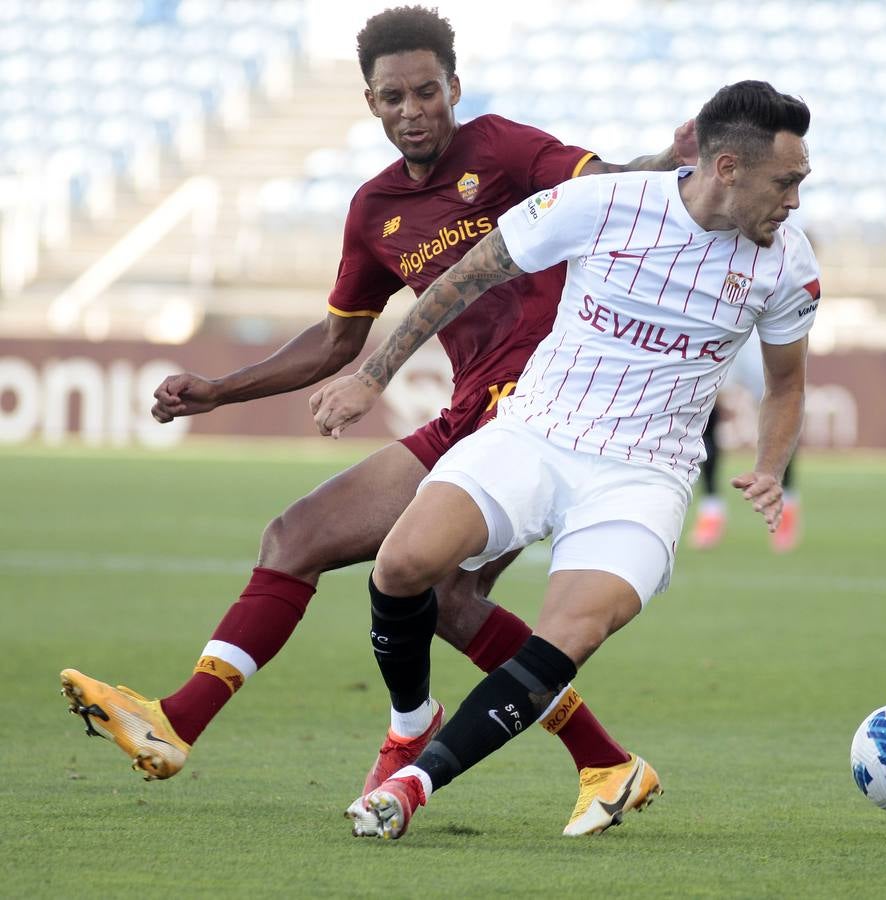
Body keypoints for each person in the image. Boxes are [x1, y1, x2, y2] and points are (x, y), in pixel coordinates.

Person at [58, 5, 696, 836]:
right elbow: (335, 339)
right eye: (392, 97)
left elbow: (607, 184)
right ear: (371, 103)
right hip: (470, 414)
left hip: (543, 415)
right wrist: (222, 390)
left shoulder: (501, 148)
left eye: (426, 92)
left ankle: (465, 740)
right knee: (307, 542)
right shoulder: (374, 210)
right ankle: (599, 761)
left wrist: (668, 162)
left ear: (454, 88)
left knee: (443, 593)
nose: (412, 111)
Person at [308, 79, 820, 840]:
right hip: (536, 433)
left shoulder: (787, 266)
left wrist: (772, 469)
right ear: (726, 169)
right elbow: (466, 276)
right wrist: (372, 377)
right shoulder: (602, 205)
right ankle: (411, 723)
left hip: (646, 478)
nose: (796, 202)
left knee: (566, 636)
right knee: (401, 566)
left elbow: (786, 385)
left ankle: (413, 786)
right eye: (786, 182)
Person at [688, 337, 802, 551]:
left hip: (758, 329)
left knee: (782, 402)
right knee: (706, 410)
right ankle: (711, 511)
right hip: (723, 324)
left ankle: (787, 506)